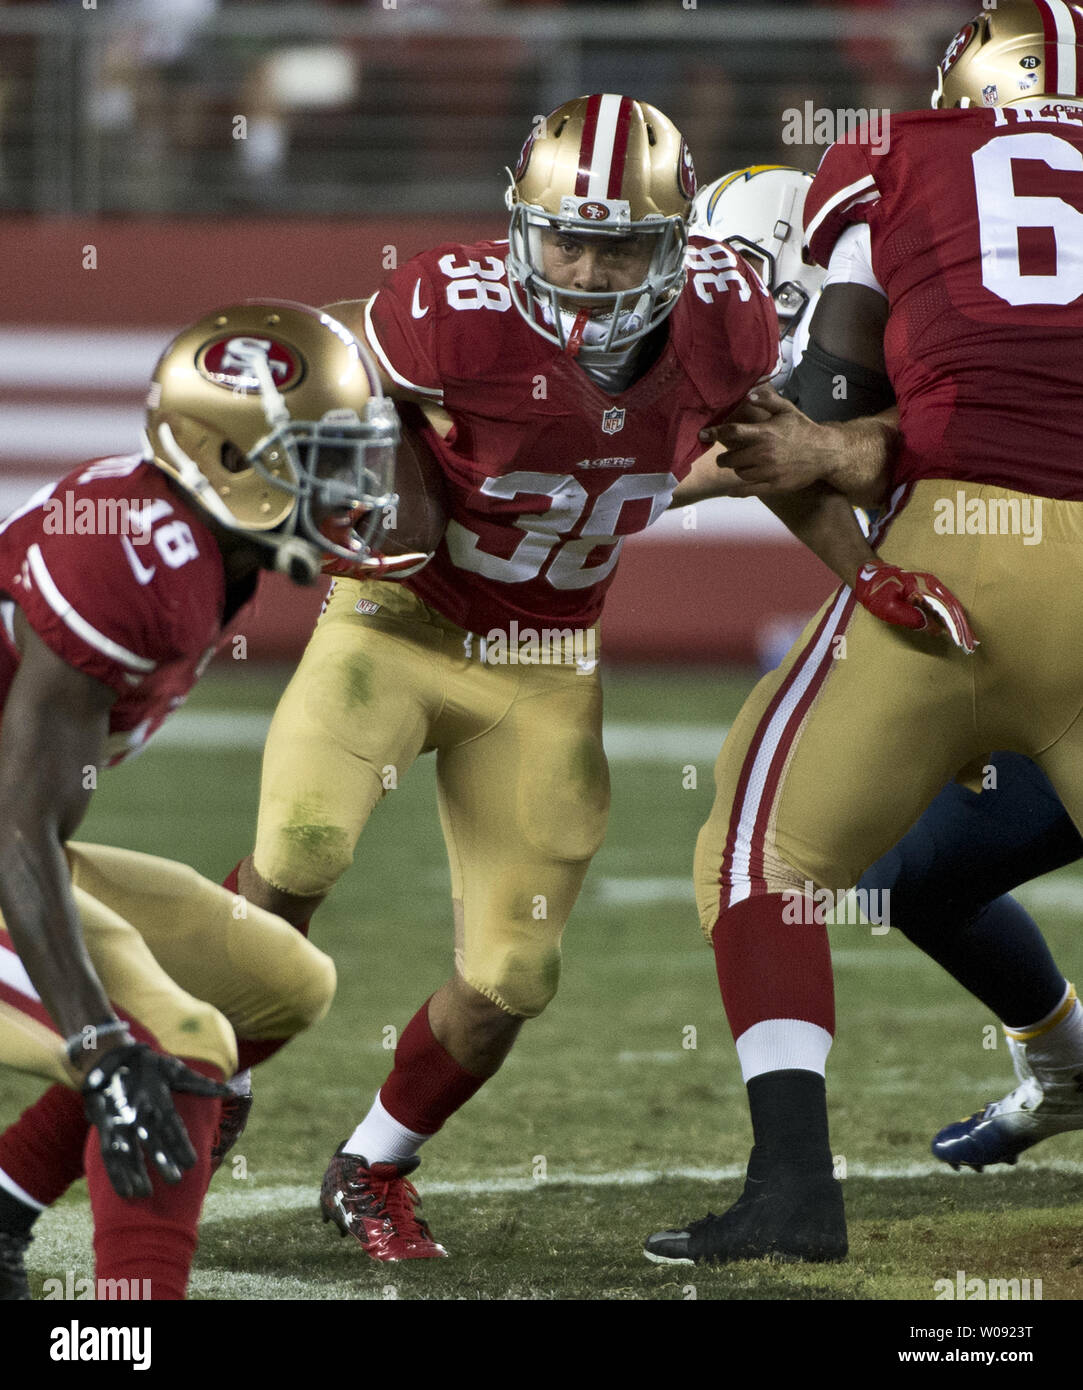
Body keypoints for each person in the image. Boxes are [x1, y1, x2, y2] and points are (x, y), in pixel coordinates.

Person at [210, 96, 965, 1265]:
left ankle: (373, 1164)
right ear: (523, 224)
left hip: (549, 661)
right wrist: (371, 480)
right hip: (399, 623)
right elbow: (312, 357)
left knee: (514, 974)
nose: (586, 264)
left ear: (677, 244)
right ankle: (208, 1067)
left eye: (620, 242)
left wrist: (868, 578)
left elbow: (775, 462)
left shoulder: (725, 317)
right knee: (304, 847)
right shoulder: (451, 309)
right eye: (565, 234)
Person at [645, 0, 1083, 1266]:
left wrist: (802, 434)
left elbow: (841, 391)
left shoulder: (893, 149)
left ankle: (793, 1187)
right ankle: (1060, 1067)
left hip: (971, 555)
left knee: (759, 851)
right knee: (915, 877)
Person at [0, 299, 407, 1299]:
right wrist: (97, 1046)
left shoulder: (201, 549)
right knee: (170, 1044)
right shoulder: (140, 558)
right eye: (322, 458)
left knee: (278, 978)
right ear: (231, 463)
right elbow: (19, 830)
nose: (352, 487)